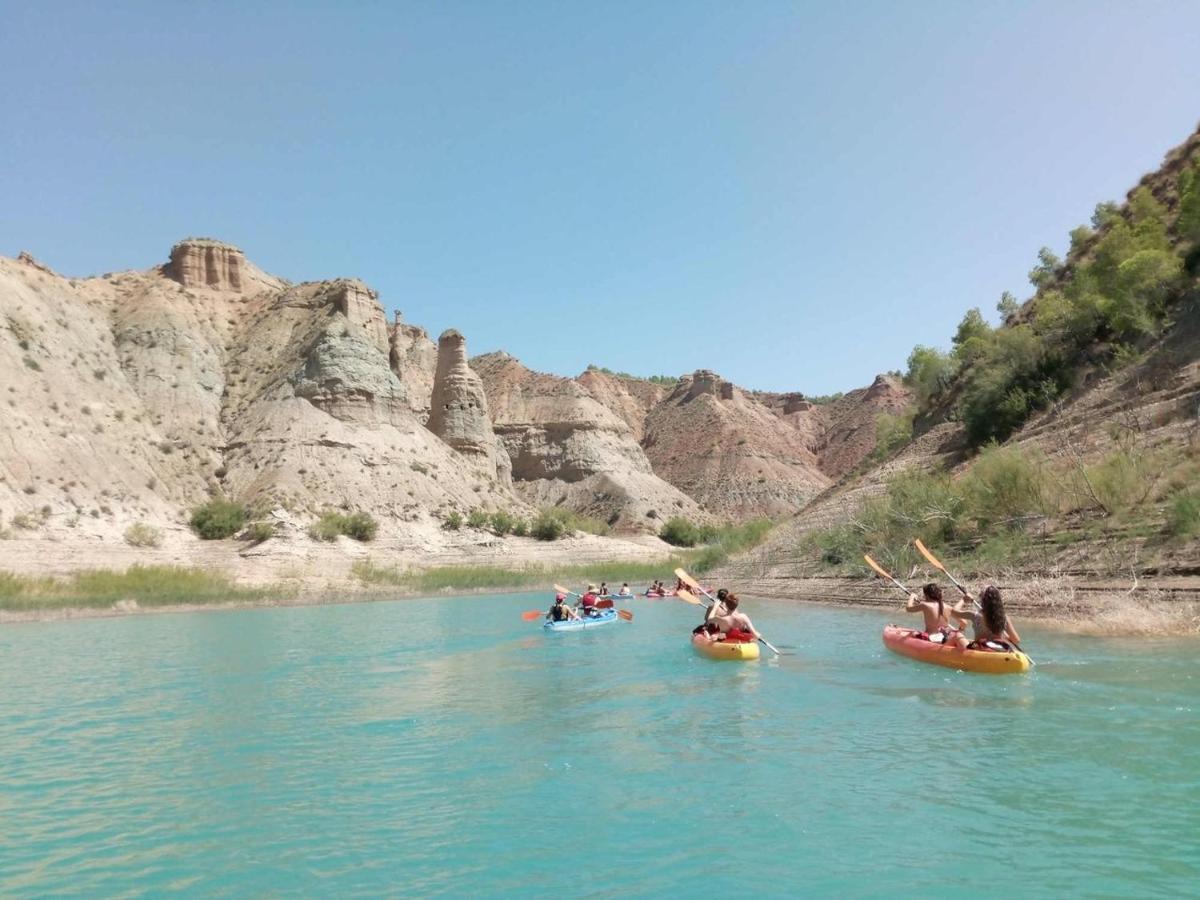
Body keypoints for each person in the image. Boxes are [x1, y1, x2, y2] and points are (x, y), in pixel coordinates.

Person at [949, 585, 1021, 650]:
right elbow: (1016, 640)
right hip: (997, 647)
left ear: (982, 600)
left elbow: (953, 612)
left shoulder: (974, 615)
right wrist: (1007, 638)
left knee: (957, 635)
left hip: (980, 648)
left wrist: (963, 600)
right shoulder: (1004, 617)